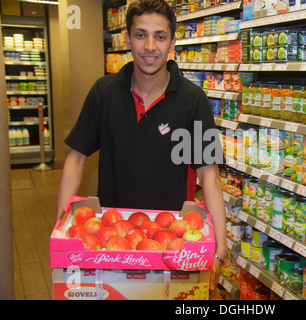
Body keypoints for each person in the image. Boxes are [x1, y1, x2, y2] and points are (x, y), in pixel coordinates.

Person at [56, 0, 227, 297]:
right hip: (110, 245)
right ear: (127, 38)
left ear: (172, 41)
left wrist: (220, 250)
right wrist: (60, 230)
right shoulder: (104, 92)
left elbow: (209, 174)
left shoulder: (193, 100)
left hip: (173, 247)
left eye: (160, 36)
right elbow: (76, 158)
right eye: (140, 35)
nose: (150, 46)